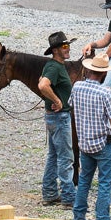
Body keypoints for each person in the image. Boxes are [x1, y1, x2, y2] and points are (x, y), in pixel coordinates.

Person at [69, 53, 111, 220]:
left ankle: (78, 218)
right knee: (104, 183)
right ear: (104, 73)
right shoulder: (105, 92)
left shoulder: (77, 87)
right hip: (103, 144)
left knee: (84, 180)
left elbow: (71, 105)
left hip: (84, 143)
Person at [36, 31, 76, 208]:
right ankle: (68, 197)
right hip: (60, 118)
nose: (68, 50)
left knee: (53, 156)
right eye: (64, 47)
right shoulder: (54, 67)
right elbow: (43, 85)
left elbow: (42, 82)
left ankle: (50, 193)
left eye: (68, 46)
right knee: (65, 158)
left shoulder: (53, 66)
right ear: (55, 50)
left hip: (53, 118)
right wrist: (57, 100)